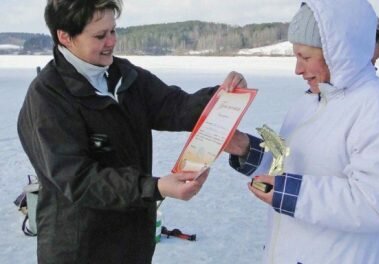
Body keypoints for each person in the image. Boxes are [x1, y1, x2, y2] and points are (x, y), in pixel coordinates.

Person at [17, 1, 246, 263]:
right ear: (65, 36)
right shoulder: (48, 97)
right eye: (100, 36)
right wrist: (155, 187)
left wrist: (221, 98)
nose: (111, 42)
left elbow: (173, 106)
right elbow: (79, 180)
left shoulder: (123, 75)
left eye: (113, 31)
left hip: (132, 243)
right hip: (80, 249)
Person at [227, 0, 379, 263]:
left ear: (340, 52)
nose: (297, 69)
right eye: (296, 56)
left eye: (306, 57)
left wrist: (292, 194)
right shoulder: (311, 102)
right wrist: (245, 149)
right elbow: (291, 165)